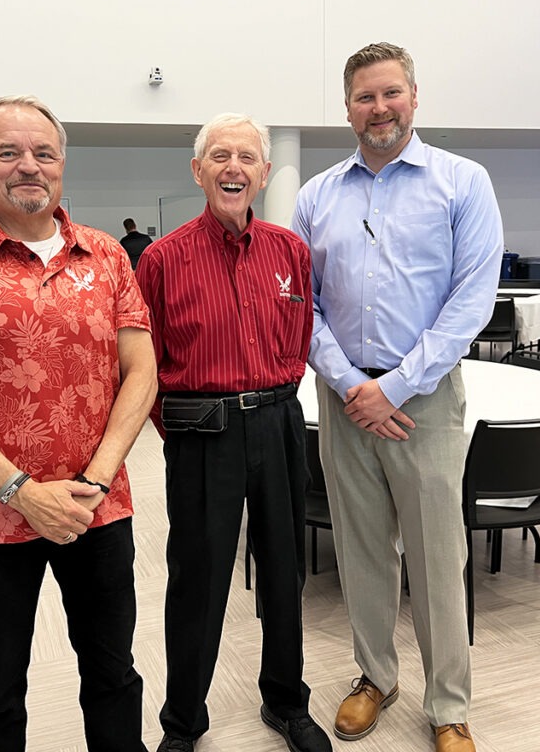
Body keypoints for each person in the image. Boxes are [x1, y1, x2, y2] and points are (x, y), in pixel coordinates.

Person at [0, 95, 157, 752]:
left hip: (97, 509)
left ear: (62, 163)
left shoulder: (106, 256)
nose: (28, 166)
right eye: (8, 152)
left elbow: (141, 374)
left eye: (43, 152)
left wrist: (96, 481)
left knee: (113, 672)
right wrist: (22, 492)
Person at [292, 44, 503, 752]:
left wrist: (396, 386)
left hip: (425, 400)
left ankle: (448, 705)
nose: (378, 108)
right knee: (360, 550)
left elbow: (471, 300)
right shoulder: (316, 196)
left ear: (414, 97)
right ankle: (375, 678)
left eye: (390, 94)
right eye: (364, 97)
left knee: (437, 556)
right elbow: (302, 306)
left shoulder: (462, 182)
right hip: (344, 399)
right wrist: (352, 384)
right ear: (347, 108)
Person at [136, 113, 331, 752]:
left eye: (247, 157)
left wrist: (272, 402)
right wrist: (183, 431)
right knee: (198, 580)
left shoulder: (289, 252)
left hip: (279, 425)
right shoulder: (162, 260)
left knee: (284, 571)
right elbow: (143, 367)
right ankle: (183, 721)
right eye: (220, 156)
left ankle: (286, 701)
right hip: (203, 434)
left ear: (264, 173)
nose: (234, 168)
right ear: (198, 171)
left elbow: (299, 341)